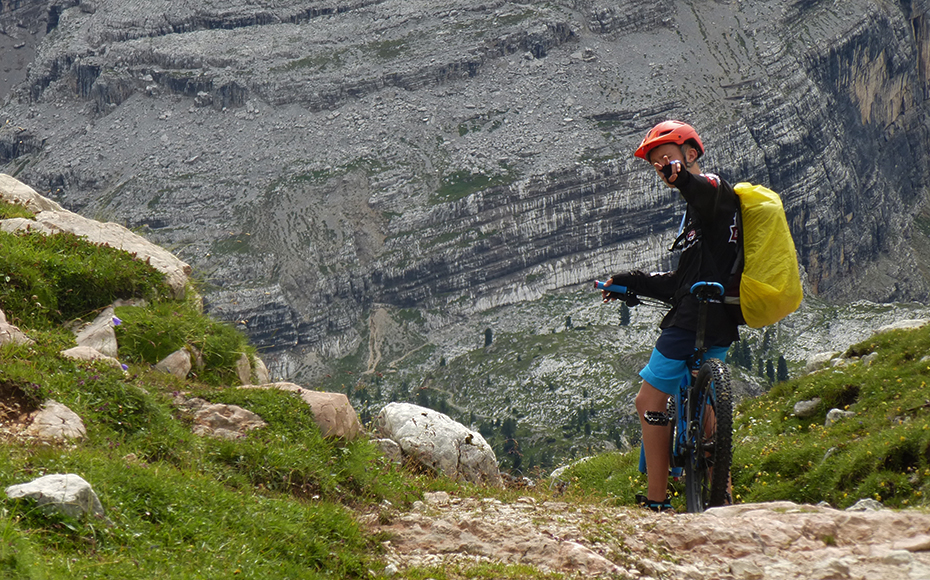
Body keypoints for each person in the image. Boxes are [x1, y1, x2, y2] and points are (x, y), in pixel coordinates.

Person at [602, 120, 743, 512]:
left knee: (648, 400)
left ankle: (657, 500)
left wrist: (681, 179)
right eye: (656, 163)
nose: (662, 166)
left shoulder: (713, 189)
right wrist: (630, 282)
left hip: (690, 321)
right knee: (711, 409)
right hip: (721, 320)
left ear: (691, 154)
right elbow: (681, 281)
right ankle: (723, 501)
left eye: (667, 157)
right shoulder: (706, 219)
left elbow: (700, 190)